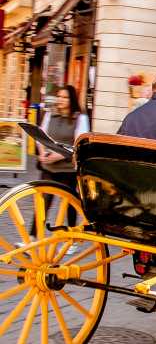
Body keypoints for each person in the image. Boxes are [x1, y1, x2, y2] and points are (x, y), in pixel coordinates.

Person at [31, 85, 89, 245]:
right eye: (59, 97)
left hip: (67, 169)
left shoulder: (80, 118)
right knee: (42, 202)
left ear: (72, 100)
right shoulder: (50, 114)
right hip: (49, 168)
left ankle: (72, 239)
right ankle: (32, 237)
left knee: (70, 204)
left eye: (65, 97)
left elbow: (78, 144)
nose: (61, 100)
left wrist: (56, 156)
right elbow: (41, 135)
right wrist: (42, 153)